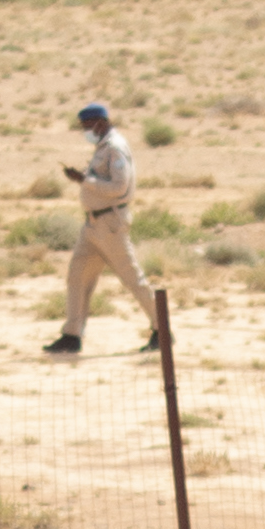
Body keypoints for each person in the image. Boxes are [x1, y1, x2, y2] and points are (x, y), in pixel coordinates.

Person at [44, 95, 158, 357]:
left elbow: (120, 187)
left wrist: (85, 180)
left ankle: (161, 330)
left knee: (133, 279)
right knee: (77, 277)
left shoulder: (115, 148)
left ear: (100, 123)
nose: (85, 132)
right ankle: (72, 336)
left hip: (110, 223)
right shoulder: (104, 147)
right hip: (93, 224)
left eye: (87, 126)